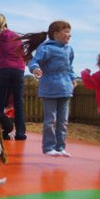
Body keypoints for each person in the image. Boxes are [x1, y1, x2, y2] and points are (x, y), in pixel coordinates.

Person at [0, 14, 47, 141]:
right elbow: (22, 54)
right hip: (18, 70)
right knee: (18, 102)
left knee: (1, 103)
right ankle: (21, 133)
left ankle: (3, 131)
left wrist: (4, 64)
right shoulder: (15, 37)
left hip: (4, 69)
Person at [29, 20, 76, 157]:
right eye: (66, 32)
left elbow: (70, 67)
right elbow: (34, 61)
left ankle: (60, 147)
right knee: (50, 120)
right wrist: (35, 69)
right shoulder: (46, 48)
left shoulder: (69, 50)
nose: (69, 35)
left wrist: (73, 78)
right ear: (56, 34)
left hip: (65, 89)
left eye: (69, 32)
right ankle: (48, 147)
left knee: (63, 121)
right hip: (50, 89)